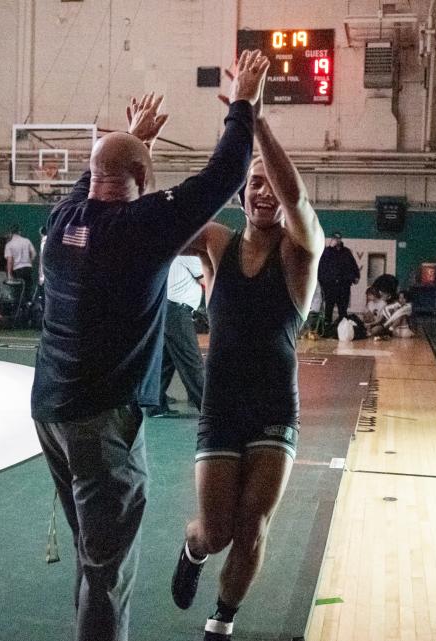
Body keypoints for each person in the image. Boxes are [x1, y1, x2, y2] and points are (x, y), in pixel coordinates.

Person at [31, 51, 267, 641]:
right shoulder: (141, 226)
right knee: (108, 569)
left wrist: (133, 140)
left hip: (50, 412)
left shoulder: (61, 221)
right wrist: (243, 102)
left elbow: (101, 178)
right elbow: (224, 175)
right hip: (100, 419)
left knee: (93, 553)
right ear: (146, 183)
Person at [171, 67, 325, 641]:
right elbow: (155, 230)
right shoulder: (216, 240)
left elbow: (298, 197)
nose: (264, 192)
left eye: (270, 185)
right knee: (217, 532)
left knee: (253, 527)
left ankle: (221, 623)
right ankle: (193, 549)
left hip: (273, 409)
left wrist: (255, 122)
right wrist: (138, 153)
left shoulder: (302, 247)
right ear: (240, 194)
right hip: (221, 407)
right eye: (253, 183)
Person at [149, 256, 206, 418]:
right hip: (177, 313)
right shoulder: (188, 254)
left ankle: (155, 405)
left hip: (169, 311)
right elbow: (207, 280)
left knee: (166, 361)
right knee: (192, 361)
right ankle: (209, 409)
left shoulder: (176, 251)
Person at [317, 231, 359, 326]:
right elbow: (321, 266)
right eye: (335, 238)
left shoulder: (346, 252)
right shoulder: (326, 252)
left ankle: (342, 326)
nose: (337, 240)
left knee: (343, 308)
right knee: (329, 307)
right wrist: (323, 282)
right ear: (332, 239)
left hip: (344, 285)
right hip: (330, 286)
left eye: (338, 238)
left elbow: (353, 265)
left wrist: (356, 276)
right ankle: (327, 326)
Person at [4, 224, 37, 307]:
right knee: (28, 290)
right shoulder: (27, 241)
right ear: (19, 232)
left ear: (11, 233)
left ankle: (20, 310)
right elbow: (34, 253)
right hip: (28, 268)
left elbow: (10, 261)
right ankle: (29, 308)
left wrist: (9, 274)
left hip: (17, 269)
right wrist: (29, 261)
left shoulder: (9, 244)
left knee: (18, 293)